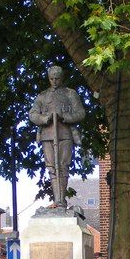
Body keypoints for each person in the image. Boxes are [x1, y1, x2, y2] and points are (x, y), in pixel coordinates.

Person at [29, 65, 86, 208]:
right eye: (51, 78)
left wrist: (64, 116)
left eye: (57, 78)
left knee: (63, 166)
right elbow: (33, 114)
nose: (54, 81)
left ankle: (61, 200)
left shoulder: (70, 94)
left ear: (62, 78)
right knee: (51, 168)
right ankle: (57, 199)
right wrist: (43, 119)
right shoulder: (42, 96)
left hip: (65, 134)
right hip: (47, 135)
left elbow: (80, 113)